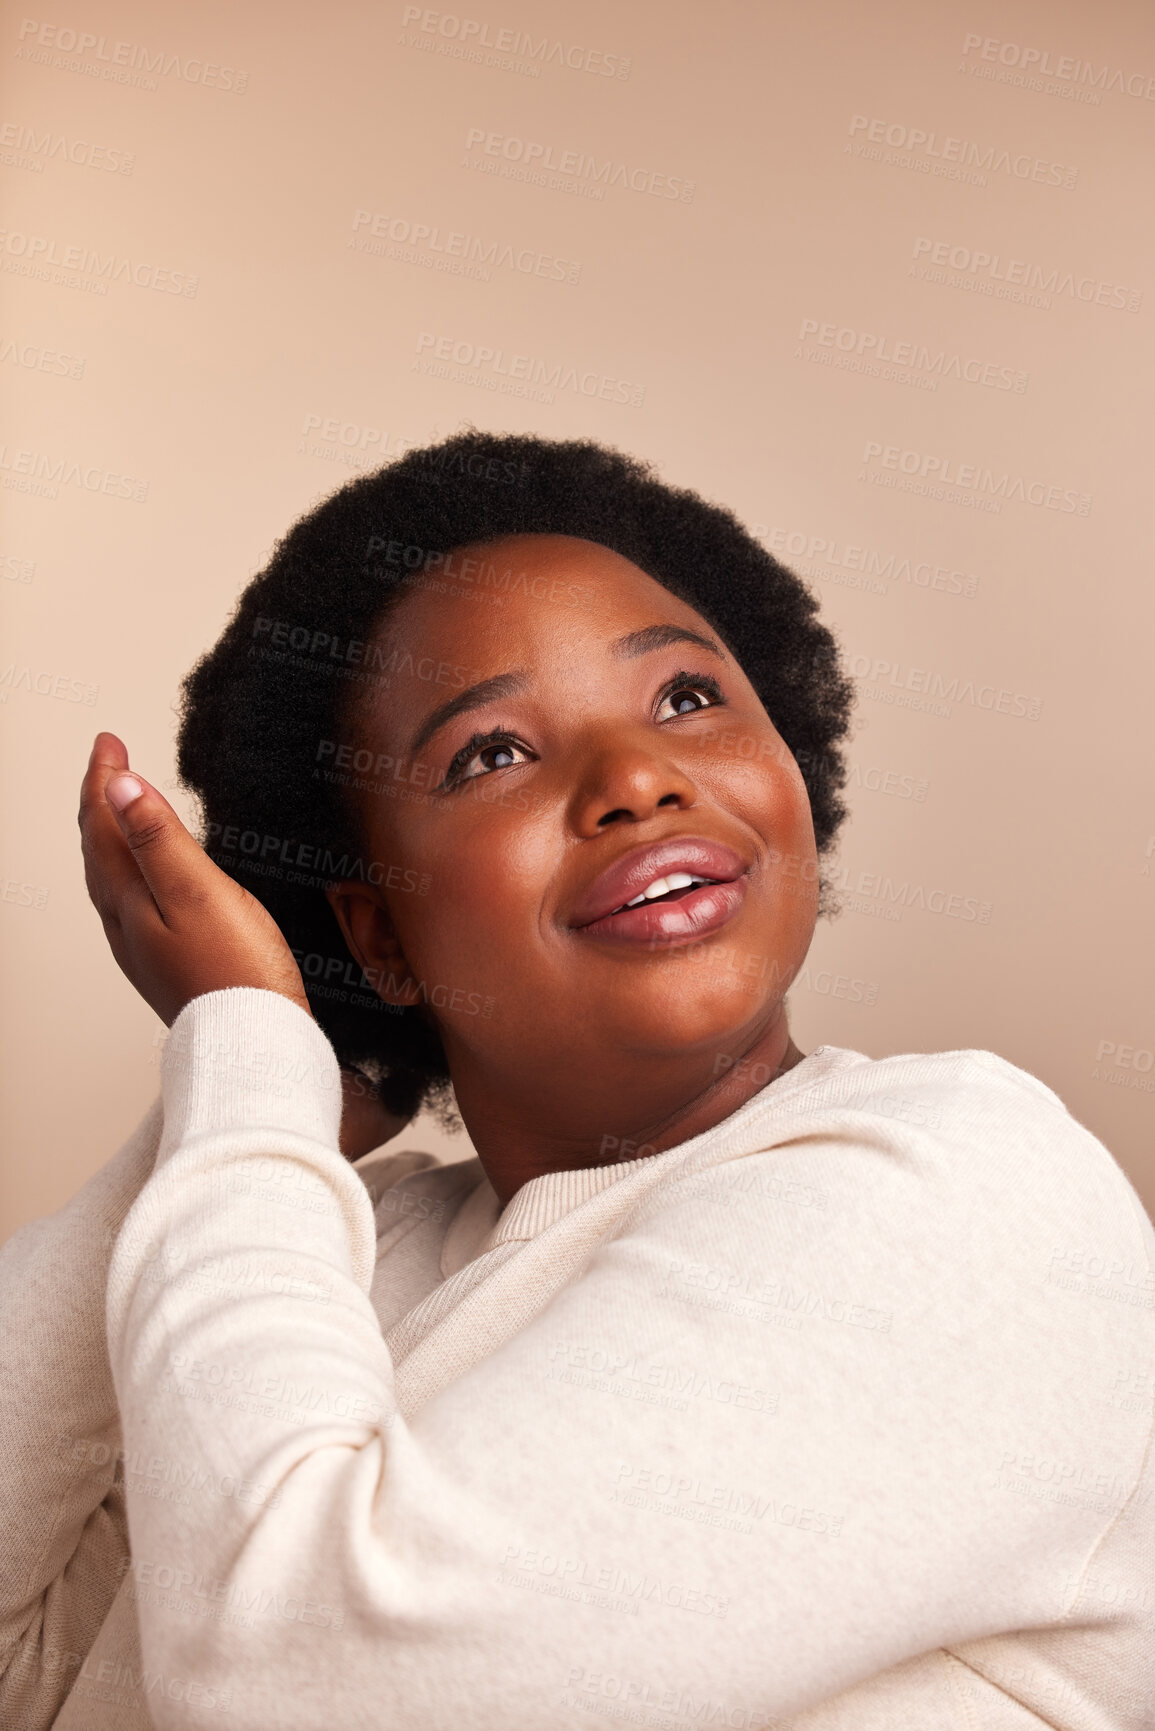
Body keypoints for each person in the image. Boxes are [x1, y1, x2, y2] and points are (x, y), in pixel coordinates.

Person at [2, 432, 1151, 1730]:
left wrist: (242, 1041)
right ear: (376, 933)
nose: (637, 780)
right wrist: (258, 1083)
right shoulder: (336, 1261)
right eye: (492, 752)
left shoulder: (965, 1189)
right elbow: (47, 1675)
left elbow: (290, 1685)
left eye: (685, 698)